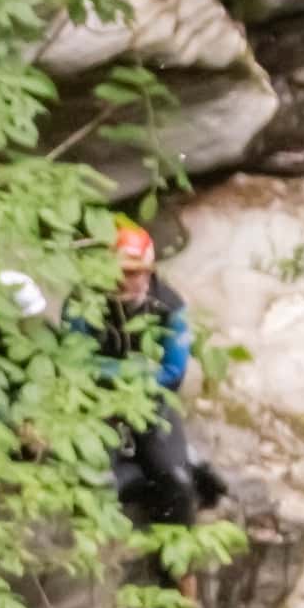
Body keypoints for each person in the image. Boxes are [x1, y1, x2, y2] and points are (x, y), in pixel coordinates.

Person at [98, 211, 226, 530]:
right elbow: (71, 358)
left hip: (151, 406)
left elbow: (173, 372)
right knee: (99, 485)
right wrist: (130, 371)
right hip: (95, 406)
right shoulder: (85, 303)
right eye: (120, 271)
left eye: (134, 273)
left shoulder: (170, 309)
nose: (124, 280)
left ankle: (181, 570)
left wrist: (120, 375)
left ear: (148, 271)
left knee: (177, 482)